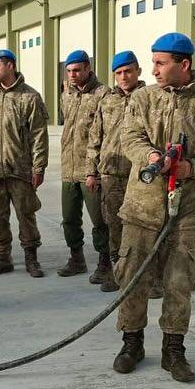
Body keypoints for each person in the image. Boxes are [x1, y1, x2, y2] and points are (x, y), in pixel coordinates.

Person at [113, 33, 195, 381]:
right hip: (141, 209)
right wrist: (152, 156)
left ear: (184, 64)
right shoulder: (143, 98)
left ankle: (173, 349)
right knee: (132, 277)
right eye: (153, 62)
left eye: (160, 63)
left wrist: (190, 168)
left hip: (185, 212)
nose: (154, 70)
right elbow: (129, 137)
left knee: (180, 280)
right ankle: (132, 343)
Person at [0, 49, 49, 277]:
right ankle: (1, 258)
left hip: (20, 169)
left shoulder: (30, 97)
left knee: (26, 214)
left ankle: (31, 258)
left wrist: (38, 167)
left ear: (10, 66)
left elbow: (39, 135)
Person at [85, 50, 146, 293]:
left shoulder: (150, 98)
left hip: (140, 175)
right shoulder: (107, 101)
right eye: (118, 73)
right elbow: (95, 138)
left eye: (128, 71)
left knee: (143, 227)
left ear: (138, 71)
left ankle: (148, 275)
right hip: (111, 175)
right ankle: (118, 272)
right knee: (114, 226)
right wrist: (91, 172)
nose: (123, 77)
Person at [58, 50, 111, 282]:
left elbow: (106, 134)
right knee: (69, 218)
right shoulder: (67, 94)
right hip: (68, 169)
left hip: (92, 170)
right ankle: (76, 259)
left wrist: (96, 170)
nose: (72, 75)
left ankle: (105, 262)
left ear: (88, 68)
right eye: (69, 71)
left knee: (100, 220)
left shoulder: (103, 94)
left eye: (77, 70)